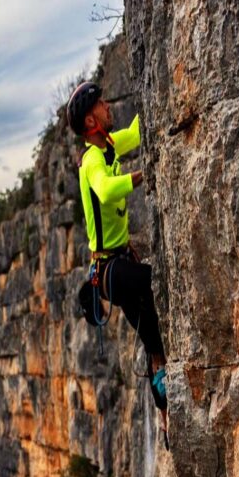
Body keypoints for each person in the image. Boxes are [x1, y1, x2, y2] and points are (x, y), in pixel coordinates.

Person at [67, 81, 168, 442]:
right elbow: (107, 191)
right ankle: (164, 397)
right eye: (101, 104)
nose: (109, 106)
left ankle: (165, 412)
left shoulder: (108, 146)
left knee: (152, 335)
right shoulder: (92, 161)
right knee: (157, 284)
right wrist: (144, 175)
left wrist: (159, 86)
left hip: (119, 262)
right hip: (110, 270)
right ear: (91, 122)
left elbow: (136, 133)